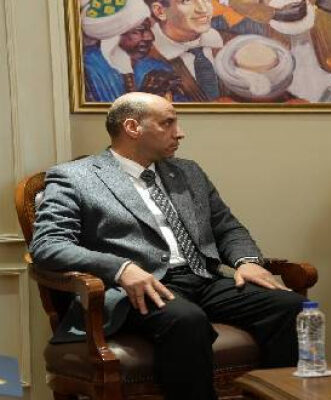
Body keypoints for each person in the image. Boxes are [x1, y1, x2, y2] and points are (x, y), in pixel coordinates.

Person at [30, 92, 304, 399]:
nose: (180, 132)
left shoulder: (188, 172)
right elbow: (48, 245)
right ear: (132, 127)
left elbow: (226, 227)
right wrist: (120, 268)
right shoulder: (75, 177)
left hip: (203, 278)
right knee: (186, 320)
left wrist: (246, 261)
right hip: (136, 289)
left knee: (289, 306)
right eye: (167, 123)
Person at [146, 0, 226, 101]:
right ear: (160, 11)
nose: (203, 9)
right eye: (187, 1)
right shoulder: (145, 60)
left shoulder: (231, 42)